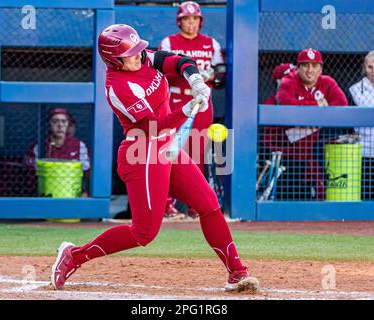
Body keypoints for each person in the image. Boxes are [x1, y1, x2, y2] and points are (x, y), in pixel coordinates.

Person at [50, 24, 258, 293]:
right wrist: (187, 108)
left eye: (138, 49)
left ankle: (237, 272)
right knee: (143, 233)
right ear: (114, 59)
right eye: (131, 53)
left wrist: (195, 79)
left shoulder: (143, 58)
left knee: (208, 204)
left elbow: (177, 61)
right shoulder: (119, 87)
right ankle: (73, 256)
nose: (139, 55)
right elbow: (153, 125)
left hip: (167, 147)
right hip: (142, 154)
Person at [159, 1, 226, 218]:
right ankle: (167, 204)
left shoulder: (211, 44)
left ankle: (195, 206)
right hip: (177, 101)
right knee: (170, 151)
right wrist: (189, 73)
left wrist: (212, 76)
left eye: (194, 19)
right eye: (187, 19)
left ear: (200, 21)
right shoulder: (169, 42)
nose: (191, 23)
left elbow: (221, 76)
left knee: (197, 153)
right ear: (180, 21)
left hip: (202, 104)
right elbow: (162, 72)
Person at [264, 49, 348, 200]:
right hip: (286, 152)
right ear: (298, 68)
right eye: (305, 65)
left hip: (312, 152)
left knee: (309, 197)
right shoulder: (289, 81)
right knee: (286, 199)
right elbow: (286, 103)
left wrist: (305, 107)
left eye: (315, 66)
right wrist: (318, 105)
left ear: (320, 69)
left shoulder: (327, 82)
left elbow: (342, 104)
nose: (310, 70)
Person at [24, 108, 91, 195]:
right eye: (55, 121)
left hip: (72, 193)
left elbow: (87, 173)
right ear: (49, 124)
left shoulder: (78, 145)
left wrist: (84, 191)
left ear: (68, 124)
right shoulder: (39, 146)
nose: (60, 125)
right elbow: (31, 174)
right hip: (45, 194)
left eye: (63, 121)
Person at [349, 51, 374, 200]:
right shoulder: (355, 90)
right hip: (363, 151)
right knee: (364, 197)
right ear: (365, 68)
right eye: (370, 67)